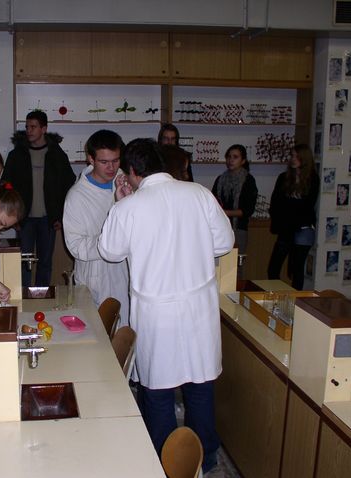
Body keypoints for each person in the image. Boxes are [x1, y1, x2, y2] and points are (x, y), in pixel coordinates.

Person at [98, 138, 234, 474]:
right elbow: (224, 242)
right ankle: (206, 458)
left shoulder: (129, 207)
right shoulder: (199, 194)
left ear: (132, 171)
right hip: (198, 306)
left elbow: (109, 251)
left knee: (157, 391)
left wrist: (120, 203)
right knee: (200, 386)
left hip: (156, 312)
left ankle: (162, 461)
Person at [63, 130, 130, 328]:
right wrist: (108, 243)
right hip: (96, 276)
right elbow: (75, 245)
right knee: (99, 334)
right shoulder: (77, 196)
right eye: (104, 162)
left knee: (125, 331)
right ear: (91, 159)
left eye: (116, 161)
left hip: (126, 272)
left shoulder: (126, 182)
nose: (111, 167)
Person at [3, 110, 76, 286]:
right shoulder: (16, 155)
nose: (29, 130)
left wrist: (59, 216)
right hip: (24, 218)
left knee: (45, 261)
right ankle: (23, 293)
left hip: (48, 219)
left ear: (44, 129)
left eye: (33, 127)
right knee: (24, 260)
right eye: (27, 127)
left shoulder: (57, 154)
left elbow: (68, 185)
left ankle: (41, 295)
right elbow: (6, 185)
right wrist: (13, 215)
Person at [267, 144, 320, 290]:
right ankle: (276, 295)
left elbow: (308, 205)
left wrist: (289, 210)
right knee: (273, 267)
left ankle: (296, 299)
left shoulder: (312, 179)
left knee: (297, 268)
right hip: (286, 227)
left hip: (303, 227)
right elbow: (276, 202)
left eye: (297, 156)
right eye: (292, 155)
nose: (293, 159)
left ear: (305, 158)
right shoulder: (283, 178)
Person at [211, 144, 258, 264]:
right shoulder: (220, 179)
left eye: (235, 157)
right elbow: (213, 201)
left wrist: (225, 213)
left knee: (237, 264)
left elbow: (248, 210)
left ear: (243, 161)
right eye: (229, 156)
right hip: (220, 227)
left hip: (239, 228)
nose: (231, 160)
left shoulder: (248, 180)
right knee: (220, 264)